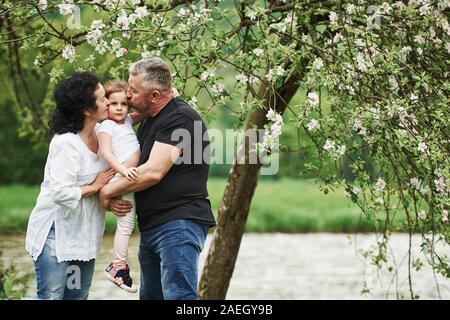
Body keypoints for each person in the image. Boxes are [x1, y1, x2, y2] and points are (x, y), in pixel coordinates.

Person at [99, 57, 216, 300]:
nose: (128, 96)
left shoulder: (181, 118)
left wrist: (106, 192)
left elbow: (153, 171)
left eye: (133, 90)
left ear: (154, 95)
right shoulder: (153, 117)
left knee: (179, 297)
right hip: (153, 225)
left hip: (178, 222)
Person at [25, 72, 115, 300]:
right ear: (87, 110)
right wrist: (94, 187)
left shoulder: (102, 133)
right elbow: (60, 193)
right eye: (103, 98)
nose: (108, 102)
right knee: (53, 296)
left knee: (77, 295)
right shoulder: (66, 143)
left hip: (83, 237)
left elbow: (130, 115)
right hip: (56, 236)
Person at [98, 80, 144, 293]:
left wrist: (171, 95)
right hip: (121, 176)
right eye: (113, 103)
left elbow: (144, 112)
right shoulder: (106, 126)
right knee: (125, 225)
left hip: (128, 177)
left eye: (123, 104)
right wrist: (123, 171)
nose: (118, 108)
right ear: (106, 105)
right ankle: (118, 266)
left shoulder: (125, 121)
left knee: (127, 223)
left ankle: (118, 265)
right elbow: (107, 152)